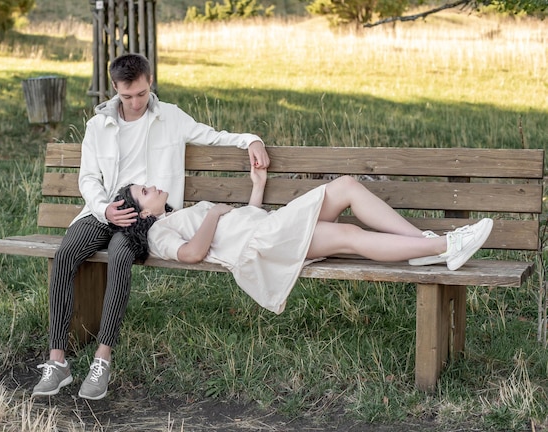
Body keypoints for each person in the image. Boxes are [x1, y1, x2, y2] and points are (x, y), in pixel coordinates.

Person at [32, 53, 270, 400]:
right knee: (66, 253)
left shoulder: (170, 117)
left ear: (150, 81)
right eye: (127, 96)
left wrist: (251, 139)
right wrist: (104, 209)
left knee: (119, 255)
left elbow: (214, 136)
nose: (135, 102)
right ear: (114, 89)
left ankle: (102, 358)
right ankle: (58, 362)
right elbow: (88, 178)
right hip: (106, 210)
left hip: (147, 218)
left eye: (141, 94)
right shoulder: (98, 126)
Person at [111, 167, 493, 315]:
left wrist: (257, 187)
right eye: (145, 190)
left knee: (345, 188)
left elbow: (242, 219)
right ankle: (445, 246)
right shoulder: (159, 232)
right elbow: (193, 254)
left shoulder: (176, 215)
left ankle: (427, 243)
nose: (154, 186)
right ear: (141, 212)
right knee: (349, 234)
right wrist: (212, 214)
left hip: (270, 228)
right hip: (263, 247)